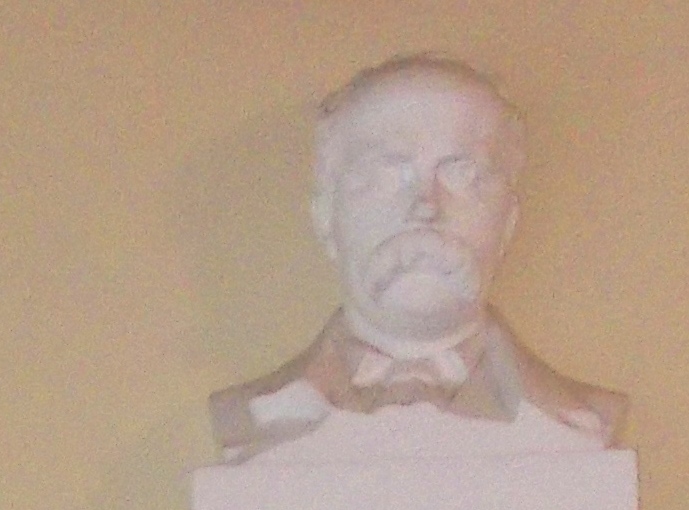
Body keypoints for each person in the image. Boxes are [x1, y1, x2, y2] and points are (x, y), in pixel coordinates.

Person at [211, 55, 623, 455]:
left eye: (463, 173)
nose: (426, 207)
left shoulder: (579, 421)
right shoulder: (253, 417)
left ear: (508, 223)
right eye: (386, 173)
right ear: (325, 219)